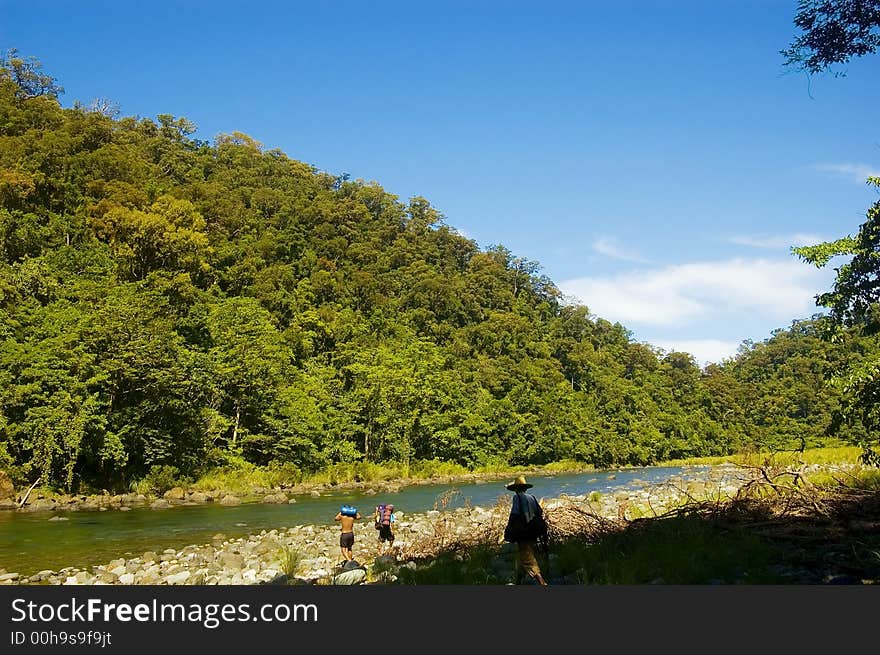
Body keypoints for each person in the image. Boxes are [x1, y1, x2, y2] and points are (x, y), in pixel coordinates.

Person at [503, 475, 548, 586]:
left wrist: (509, 528)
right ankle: (518, 581)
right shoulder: (532, 497)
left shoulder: (517, 498)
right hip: (534, 530)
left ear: (516, 489)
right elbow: (539, 512)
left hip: (523, 531)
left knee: (527, 556)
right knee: (524, 555)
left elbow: (514, 514)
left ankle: (541, 581)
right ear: (525, 488)